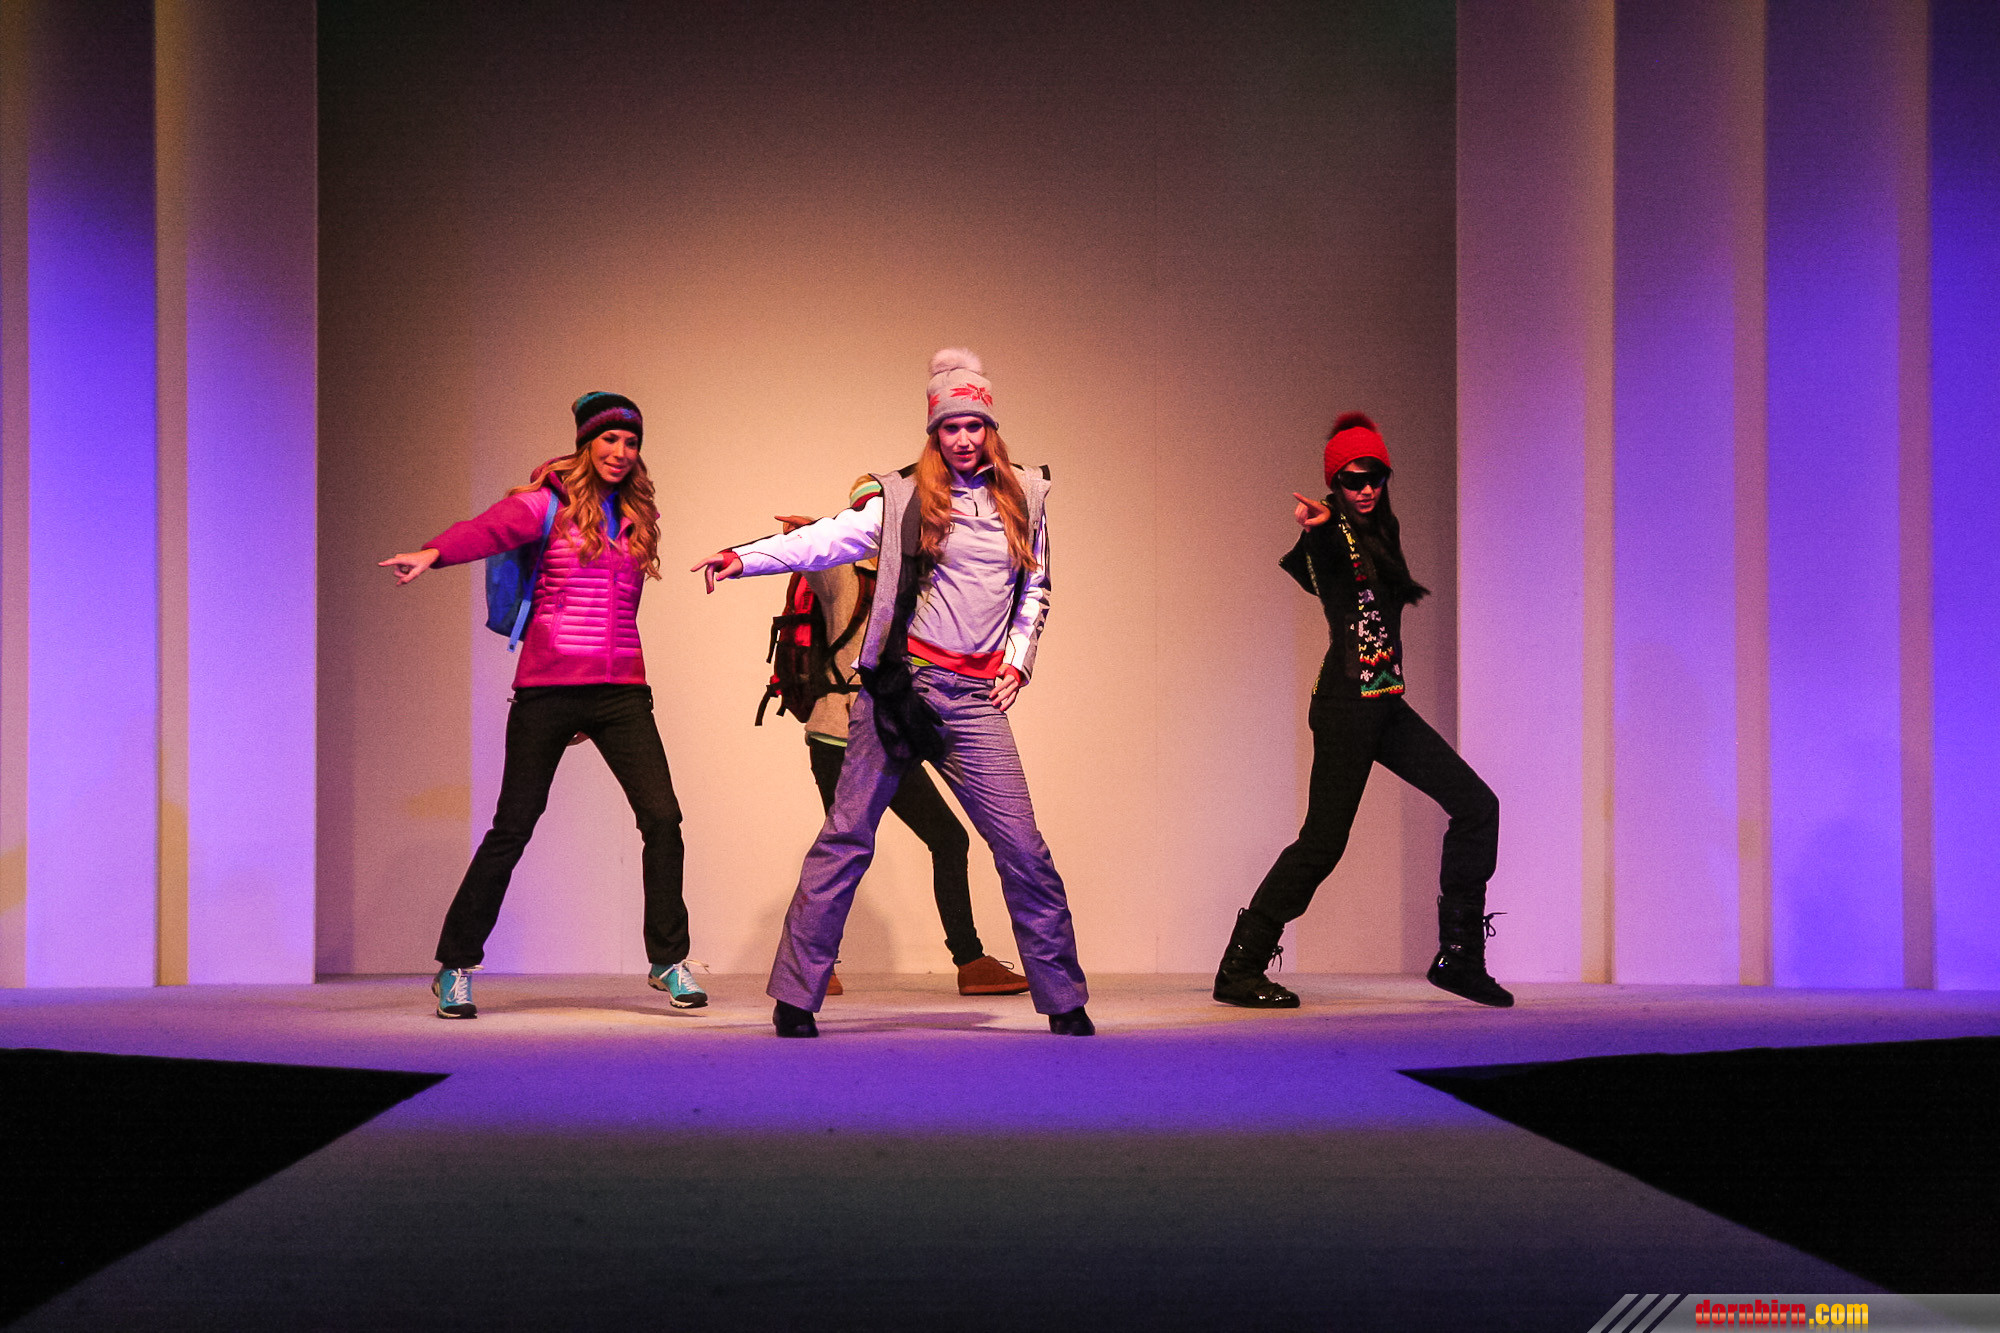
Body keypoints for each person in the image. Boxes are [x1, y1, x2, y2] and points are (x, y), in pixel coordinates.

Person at [693, 349, 1092, 1037]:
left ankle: (1064, 999)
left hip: (975, 698)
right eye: (949, 427)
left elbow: (1036, 586)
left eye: (973, 425)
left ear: (991, 429)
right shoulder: (904, 497)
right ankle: (795, 996)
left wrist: (1019, 662)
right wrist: (743, 558)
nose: (962, 438)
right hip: (902, 690)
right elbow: (825, 540)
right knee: (847, 837)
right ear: (934, 432)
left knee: (1023, 849)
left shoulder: (1025, 497)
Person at [380, 392, 704, 1019]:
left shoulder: (636, 515)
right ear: (586, 443)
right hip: (548, 687)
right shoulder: (545, 503)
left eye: (631, 442)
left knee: (663, 818)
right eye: (609, 439)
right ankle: (455, 966)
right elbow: (485, 530)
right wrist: (433, 553)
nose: (620, 452)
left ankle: (669, 960)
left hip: (620, 690)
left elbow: (622, 608)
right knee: (514, 826)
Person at [1212, 413, 1511, 1010]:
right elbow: (1324, 557)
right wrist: (1322, 527)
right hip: (1346, 708)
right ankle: (1240, 967)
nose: (1366, 488)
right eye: (1352, 480)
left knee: (1477, 806)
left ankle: (1458, 957)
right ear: (1334, 484)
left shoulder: (1383, 530)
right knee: (1322, 843)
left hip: (1385, 705)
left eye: (1375, 476)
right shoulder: (1332, 532)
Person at [770, 482, 1033, 999]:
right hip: (838, 733)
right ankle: (817, 964)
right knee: (845, 848)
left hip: (894, 727)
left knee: (947, 838)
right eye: (874, 510)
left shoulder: (921, 573)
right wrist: (805, 535)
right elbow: (813, 554)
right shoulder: (843, 568)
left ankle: (971, 962)